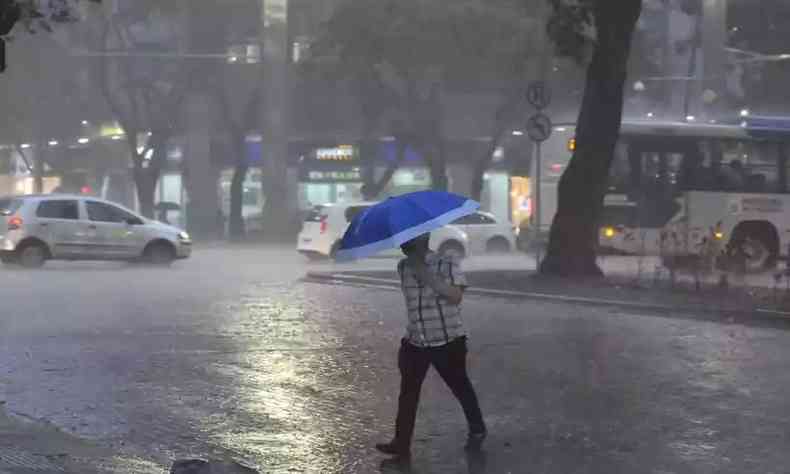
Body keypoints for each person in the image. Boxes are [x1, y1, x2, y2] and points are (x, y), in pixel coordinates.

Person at [376, 233, 486, 459]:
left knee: (460, 386)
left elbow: (456, 296)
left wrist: (427, 276)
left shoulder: (447, 263)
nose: (402, 243)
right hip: (415, 342)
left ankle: (477, 427)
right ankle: (401, 443)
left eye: (408, 238)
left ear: (422, 238)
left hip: (447, 341)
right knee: (408, 393)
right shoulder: (403, 267)